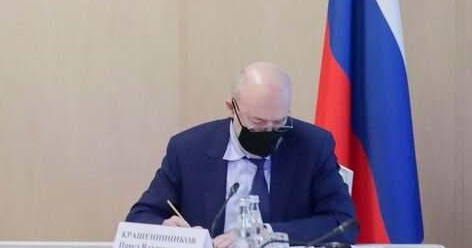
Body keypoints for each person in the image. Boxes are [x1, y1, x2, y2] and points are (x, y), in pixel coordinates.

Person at [126, 62, 356, 247]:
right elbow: (140, 217)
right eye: (258, 122)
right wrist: (165, 229)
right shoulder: (188, 149)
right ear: (231, 108)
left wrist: (267, 234)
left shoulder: (313, 146)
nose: (269, 131)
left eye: (279, 122)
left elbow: (343, 223)